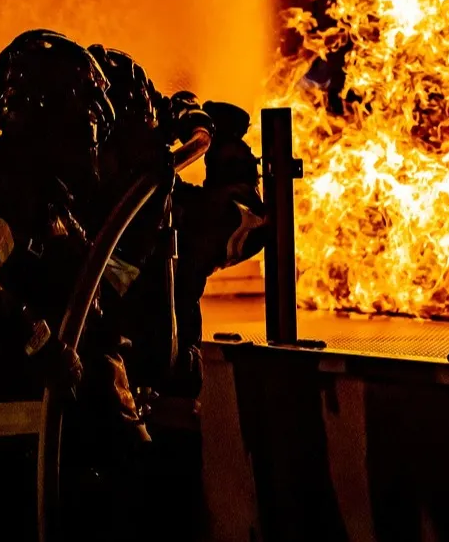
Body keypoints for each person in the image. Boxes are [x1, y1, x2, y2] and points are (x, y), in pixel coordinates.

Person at [0, 29, 143, 542]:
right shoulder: (2, 193)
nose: (95, 121)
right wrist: (35, 344)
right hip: (8, 445)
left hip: (38, 440)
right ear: (60, 107)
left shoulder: (46, 199)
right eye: (87, 103)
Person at [87, 44, 270, 540]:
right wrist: (229, 152)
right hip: (144, 411)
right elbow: (246, 226)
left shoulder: (128, 199)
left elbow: (241, 226)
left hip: (123, 410)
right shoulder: (146, 204)